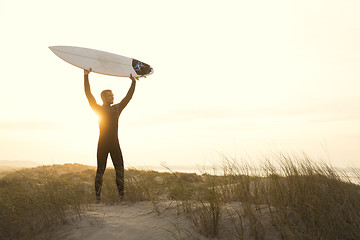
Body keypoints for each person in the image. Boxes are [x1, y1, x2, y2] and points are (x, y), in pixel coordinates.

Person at [84, 68, 136, 201]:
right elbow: (88, 94)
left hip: (114, 143)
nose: (113, 97)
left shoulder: (117, 108)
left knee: (120, 169)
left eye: (113, 95)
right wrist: (86, 76)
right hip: (103, 143)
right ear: (103, 97)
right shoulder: (99, 109)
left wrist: (133, 82)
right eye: (110, 95)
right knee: (100, 170)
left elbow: (128, 97)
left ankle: (122, 196)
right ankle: (97, 197)